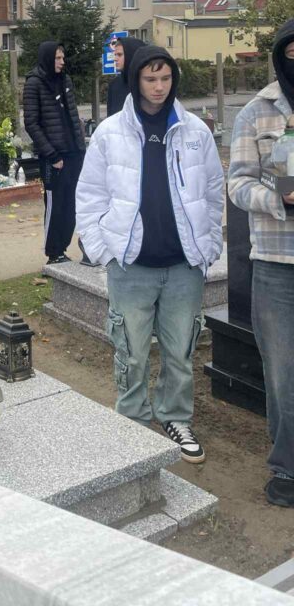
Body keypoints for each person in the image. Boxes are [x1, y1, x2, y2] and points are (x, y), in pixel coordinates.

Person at [76, 46, 223, 463]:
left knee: (180, 352)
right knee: (132, 352)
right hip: (131, 266)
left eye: (165, 78)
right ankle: (133, 421)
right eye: (150, 79)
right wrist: (103, 250)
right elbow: (89, 195)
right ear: (136, 80)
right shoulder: (110, 133)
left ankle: (175, 416)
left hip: (183, 265)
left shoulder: (195, 131)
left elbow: (214, 191)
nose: (159, 87)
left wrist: (209, 244)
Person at [228, 19, 294, 506]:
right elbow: (237, 182)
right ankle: (287, 468)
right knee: (283, 373)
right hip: (276, 262)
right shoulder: (256, 112)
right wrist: (278, 198)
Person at [23, 41, 86, 265]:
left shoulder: (65, 80)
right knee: (55, 204)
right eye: (58, 58)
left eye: (63, 57)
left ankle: (63, 248)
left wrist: (80, 147)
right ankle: (53, 252)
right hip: (54, 157)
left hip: (74, 153)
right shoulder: (34, 83)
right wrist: (51, 155)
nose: (62, 62)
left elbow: (72, 114)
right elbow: (31, 123)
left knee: (72, 204)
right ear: (48, 58)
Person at [106, 37, 146, 117]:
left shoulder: (147, 83)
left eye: (119, 55)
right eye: (115, 55)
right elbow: (110, 117)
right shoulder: (114, 84)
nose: (115, 59)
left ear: (131, 55)